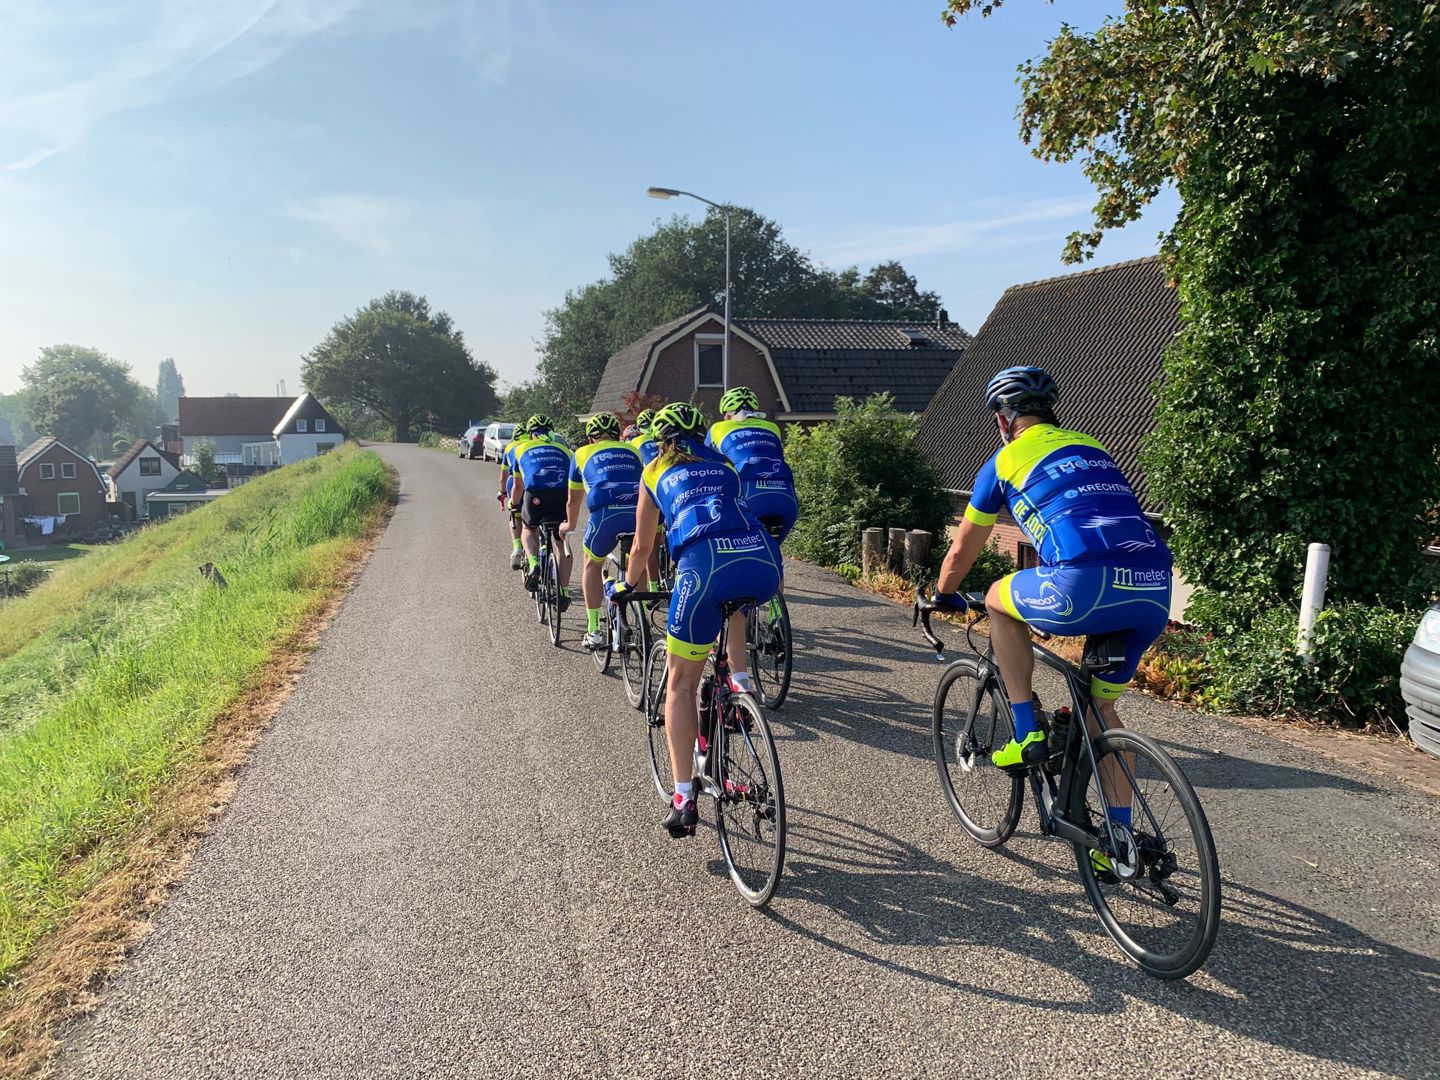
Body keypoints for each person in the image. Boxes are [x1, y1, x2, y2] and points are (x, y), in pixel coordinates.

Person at [925, 366, 1173, 872]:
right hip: (1152, 588)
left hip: (1083, 584)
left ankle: (1026, 732)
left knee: (997, 597)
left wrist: (941, 595)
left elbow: (961, 552)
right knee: (1102, 713)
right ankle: (1119, 845)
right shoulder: (1094, 446)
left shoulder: (1004, 461)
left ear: (1002, 419)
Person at [606, 403, 782, 837]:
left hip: (705, 568)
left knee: (681, 684)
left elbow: (642, 548)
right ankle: (739, 684)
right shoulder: (725, 462)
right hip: (763, 561)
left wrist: (628, 586)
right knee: (736, 604)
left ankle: (683, 796)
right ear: (701, 435)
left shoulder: (653, 469)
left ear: (660, 439)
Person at [707, 385, 797, 684]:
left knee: (740, 556)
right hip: (785, 500)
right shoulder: (771, 427)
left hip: (750, 498)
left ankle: (739, 616)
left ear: (726, 413)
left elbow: (712, 469)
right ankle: (776, 623)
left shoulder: (718, 429)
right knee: (772, 554)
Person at [559, 412, 644, 649]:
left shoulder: (580, 454)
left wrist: (569, 525)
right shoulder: (633, 450)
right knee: (642, 558)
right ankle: (644, 620)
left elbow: (573, 502)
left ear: (590, 439)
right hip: (639, 512)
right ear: (617, 437)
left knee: (591, 563)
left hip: (606, 515)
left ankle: (594, 630)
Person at [509, 414, 575, 608]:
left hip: (536, 494)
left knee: (528, 528)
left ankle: (535, 563)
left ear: (531, 435)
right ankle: (563, 591)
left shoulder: (520, 449)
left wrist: (514, 506)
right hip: (561, 495)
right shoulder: (565, 450)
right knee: (560, 540)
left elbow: (518, 487)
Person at [497, 421, 529, 569]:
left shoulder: (510, 447)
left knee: (515, 514)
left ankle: (517, 547)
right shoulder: (531, 446)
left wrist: (502, 493)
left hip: (514, 482)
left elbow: (503, 477)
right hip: (531, 483)